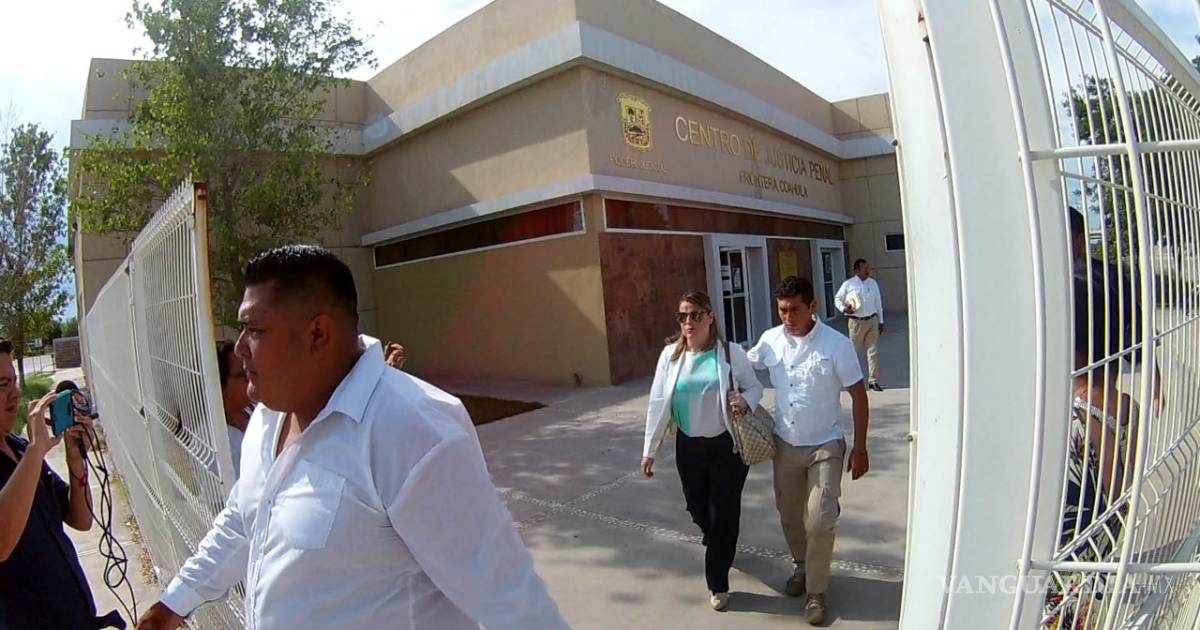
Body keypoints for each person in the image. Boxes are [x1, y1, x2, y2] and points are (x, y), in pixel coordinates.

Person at [137, 245, 566, 630]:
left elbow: (512, 601)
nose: (240, 348)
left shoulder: (414, 431)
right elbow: (244, 518)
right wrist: (175, 603)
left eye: (256, 330)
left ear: (318, 334)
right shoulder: (267, 417)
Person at [747, 276, 870, 626]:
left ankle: (816, 592)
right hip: (785, 445)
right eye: (782, 310)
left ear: (813, 307)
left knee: (818, 520)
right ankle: (802, 566)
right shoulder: (770, 340)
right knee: (789, 516)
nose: (788, 317)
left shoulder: (836, 345)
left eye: (795, 310)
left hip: (825, 444)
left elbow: (858, 396)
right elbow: (742, 365)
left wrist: (861, 448)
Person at [641, 291, 763, 612]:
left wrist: (745, 400)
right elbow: (657, 403)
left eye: (695, 315)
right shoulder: (670, 356)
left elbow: (755, 386)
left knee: (724, 513)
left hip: (727, 446)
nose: (688, 322)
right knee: (697, 507)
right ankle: (719, 542)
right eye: (682, 316)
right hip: (689, 446)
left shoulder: (730, 353)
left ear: (710, 318)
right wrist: (650, 449)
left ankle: (718, 582)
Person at [0, 338, 114, 629]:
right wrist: (36, 450)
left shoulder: (19, 449)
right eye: (2, 385)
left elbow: (81, 519)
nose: (15, 393)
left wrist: (75, 459)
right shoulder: (30, 453)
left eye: (14, 382)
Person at [834, 259, 885, 392]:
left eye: (868, 268)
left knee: (873, 351)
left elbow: (878, 303)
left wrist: (881, 321)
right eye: (864, 268)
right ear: (857, 270)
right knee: (852, 353)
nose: (868, 270)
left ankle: (873, 381)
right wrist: (844, 309)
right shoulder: (849, 284)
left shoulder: (872, 283)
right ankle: (853, 380)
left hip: (872, 321)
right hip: (856, 322)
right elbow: (837, 299)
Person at [216, 340, 254, 477]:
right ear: (220, 383)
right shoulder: (217, 442)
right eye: (243, 375)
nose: (250, 380)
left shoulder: (253, 410)